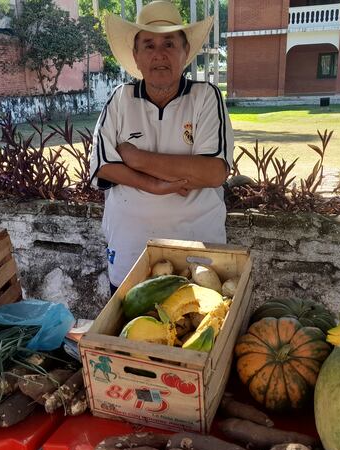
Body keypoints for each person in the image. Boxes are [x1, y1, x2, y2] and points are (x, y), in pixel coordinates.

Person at [90, 0, 234, 293]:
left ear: (185, 52)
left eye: (169, 44)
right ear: (136, 56)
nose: (159, 55)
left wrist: (136, 157)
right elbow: (103, 166)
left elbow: (213, 172)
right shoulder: (120, 99)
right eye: (149, 45)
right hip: (130, 247)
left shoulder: (205, 97)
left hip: (197, 247)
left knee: (200, 325)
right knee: (128, 329)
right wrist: (155, 185)